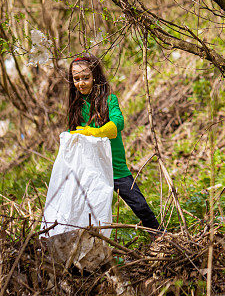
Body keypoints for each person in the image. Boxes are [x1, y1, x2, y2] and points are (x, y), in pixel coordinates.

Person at [67, 54, 161, 232]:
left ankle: (159, 235)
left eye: (86, 78)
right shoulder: (76, 106)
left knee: (139, 204)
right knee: (90, 211)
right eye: (76, 79)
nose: (81, 83)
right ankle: (94, 246)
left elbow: (118, 122)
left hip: (114, 166)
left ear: (96, 76)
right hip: (90, 168)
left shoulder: (109, 100)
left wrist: (97, 132)